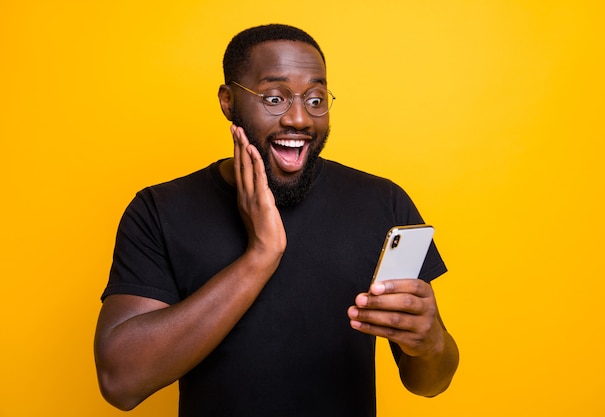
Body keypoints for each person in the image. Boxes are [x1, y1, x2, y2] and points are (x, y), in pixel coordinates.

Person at [94, 23, 459, 417]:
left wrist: (431, 344)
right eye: (274, 98)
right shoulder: (159, 210)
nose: (300, 119)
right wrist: (260, 256)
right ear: (228, 100)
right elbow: (121, 382)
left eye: (316, 99)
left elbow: (429, 383)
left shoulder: (382, 204)